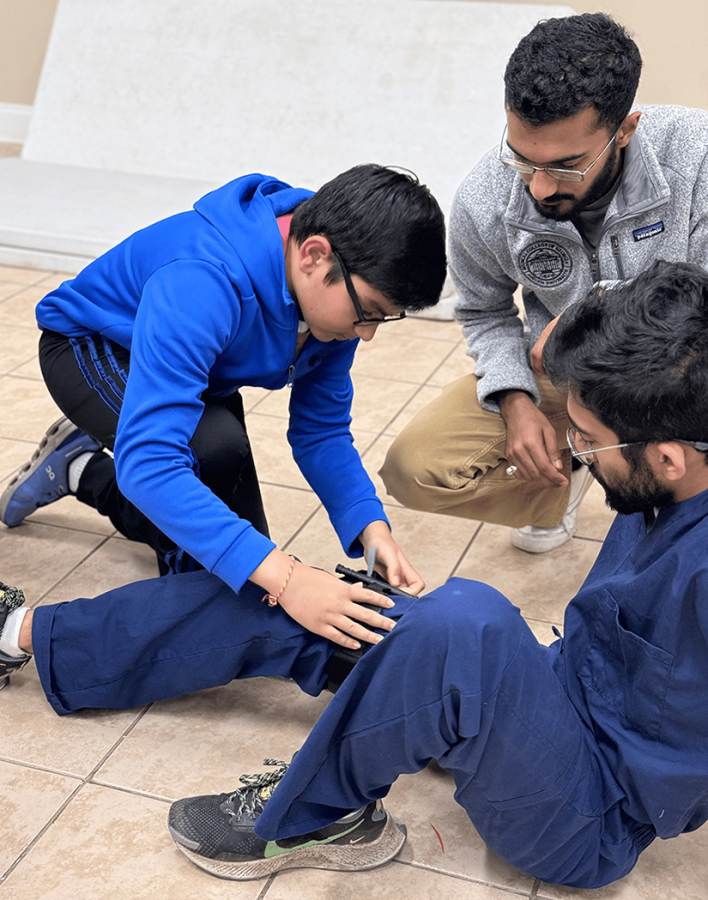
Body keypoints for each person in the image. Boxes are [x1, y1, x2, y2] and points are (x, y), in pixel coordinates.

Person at [156, 260, 708, 888]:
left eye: (585, 440)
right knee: (343, 603)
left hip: (589, 818)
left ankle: (312, 818)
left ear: (665, 458)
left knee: (462, 622)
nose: (571, 452)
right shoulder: (682, 453)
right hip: (562, 691)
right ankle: (33, 636)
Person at [0, 164, 447, 649]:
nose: (367, 333)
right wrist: (288, 578)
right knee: (214, 478)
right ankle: (101, 487)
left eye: (383, 319)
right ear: (314, 256)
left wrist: (370, 526)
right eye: (368, 313)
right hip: (92, 346)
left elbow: (321, 432)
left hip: (191, 359)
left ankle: (78, 469)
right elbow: (151, 467)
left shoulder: (338, 284)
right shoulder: (203, 281)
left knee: (241, 559)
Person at [380, 12, 708, 553]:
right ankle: (568, 481)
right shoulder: (485, 196)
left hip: (683, 377)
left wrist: (586, 320)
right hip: (561, 371)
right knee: (416, 467)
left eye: (567, 164)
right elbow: (484, 310)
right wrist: (513, 399)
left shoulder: (696, 159)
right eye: (521, 157)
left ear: (625, 130)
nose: (538, 185)